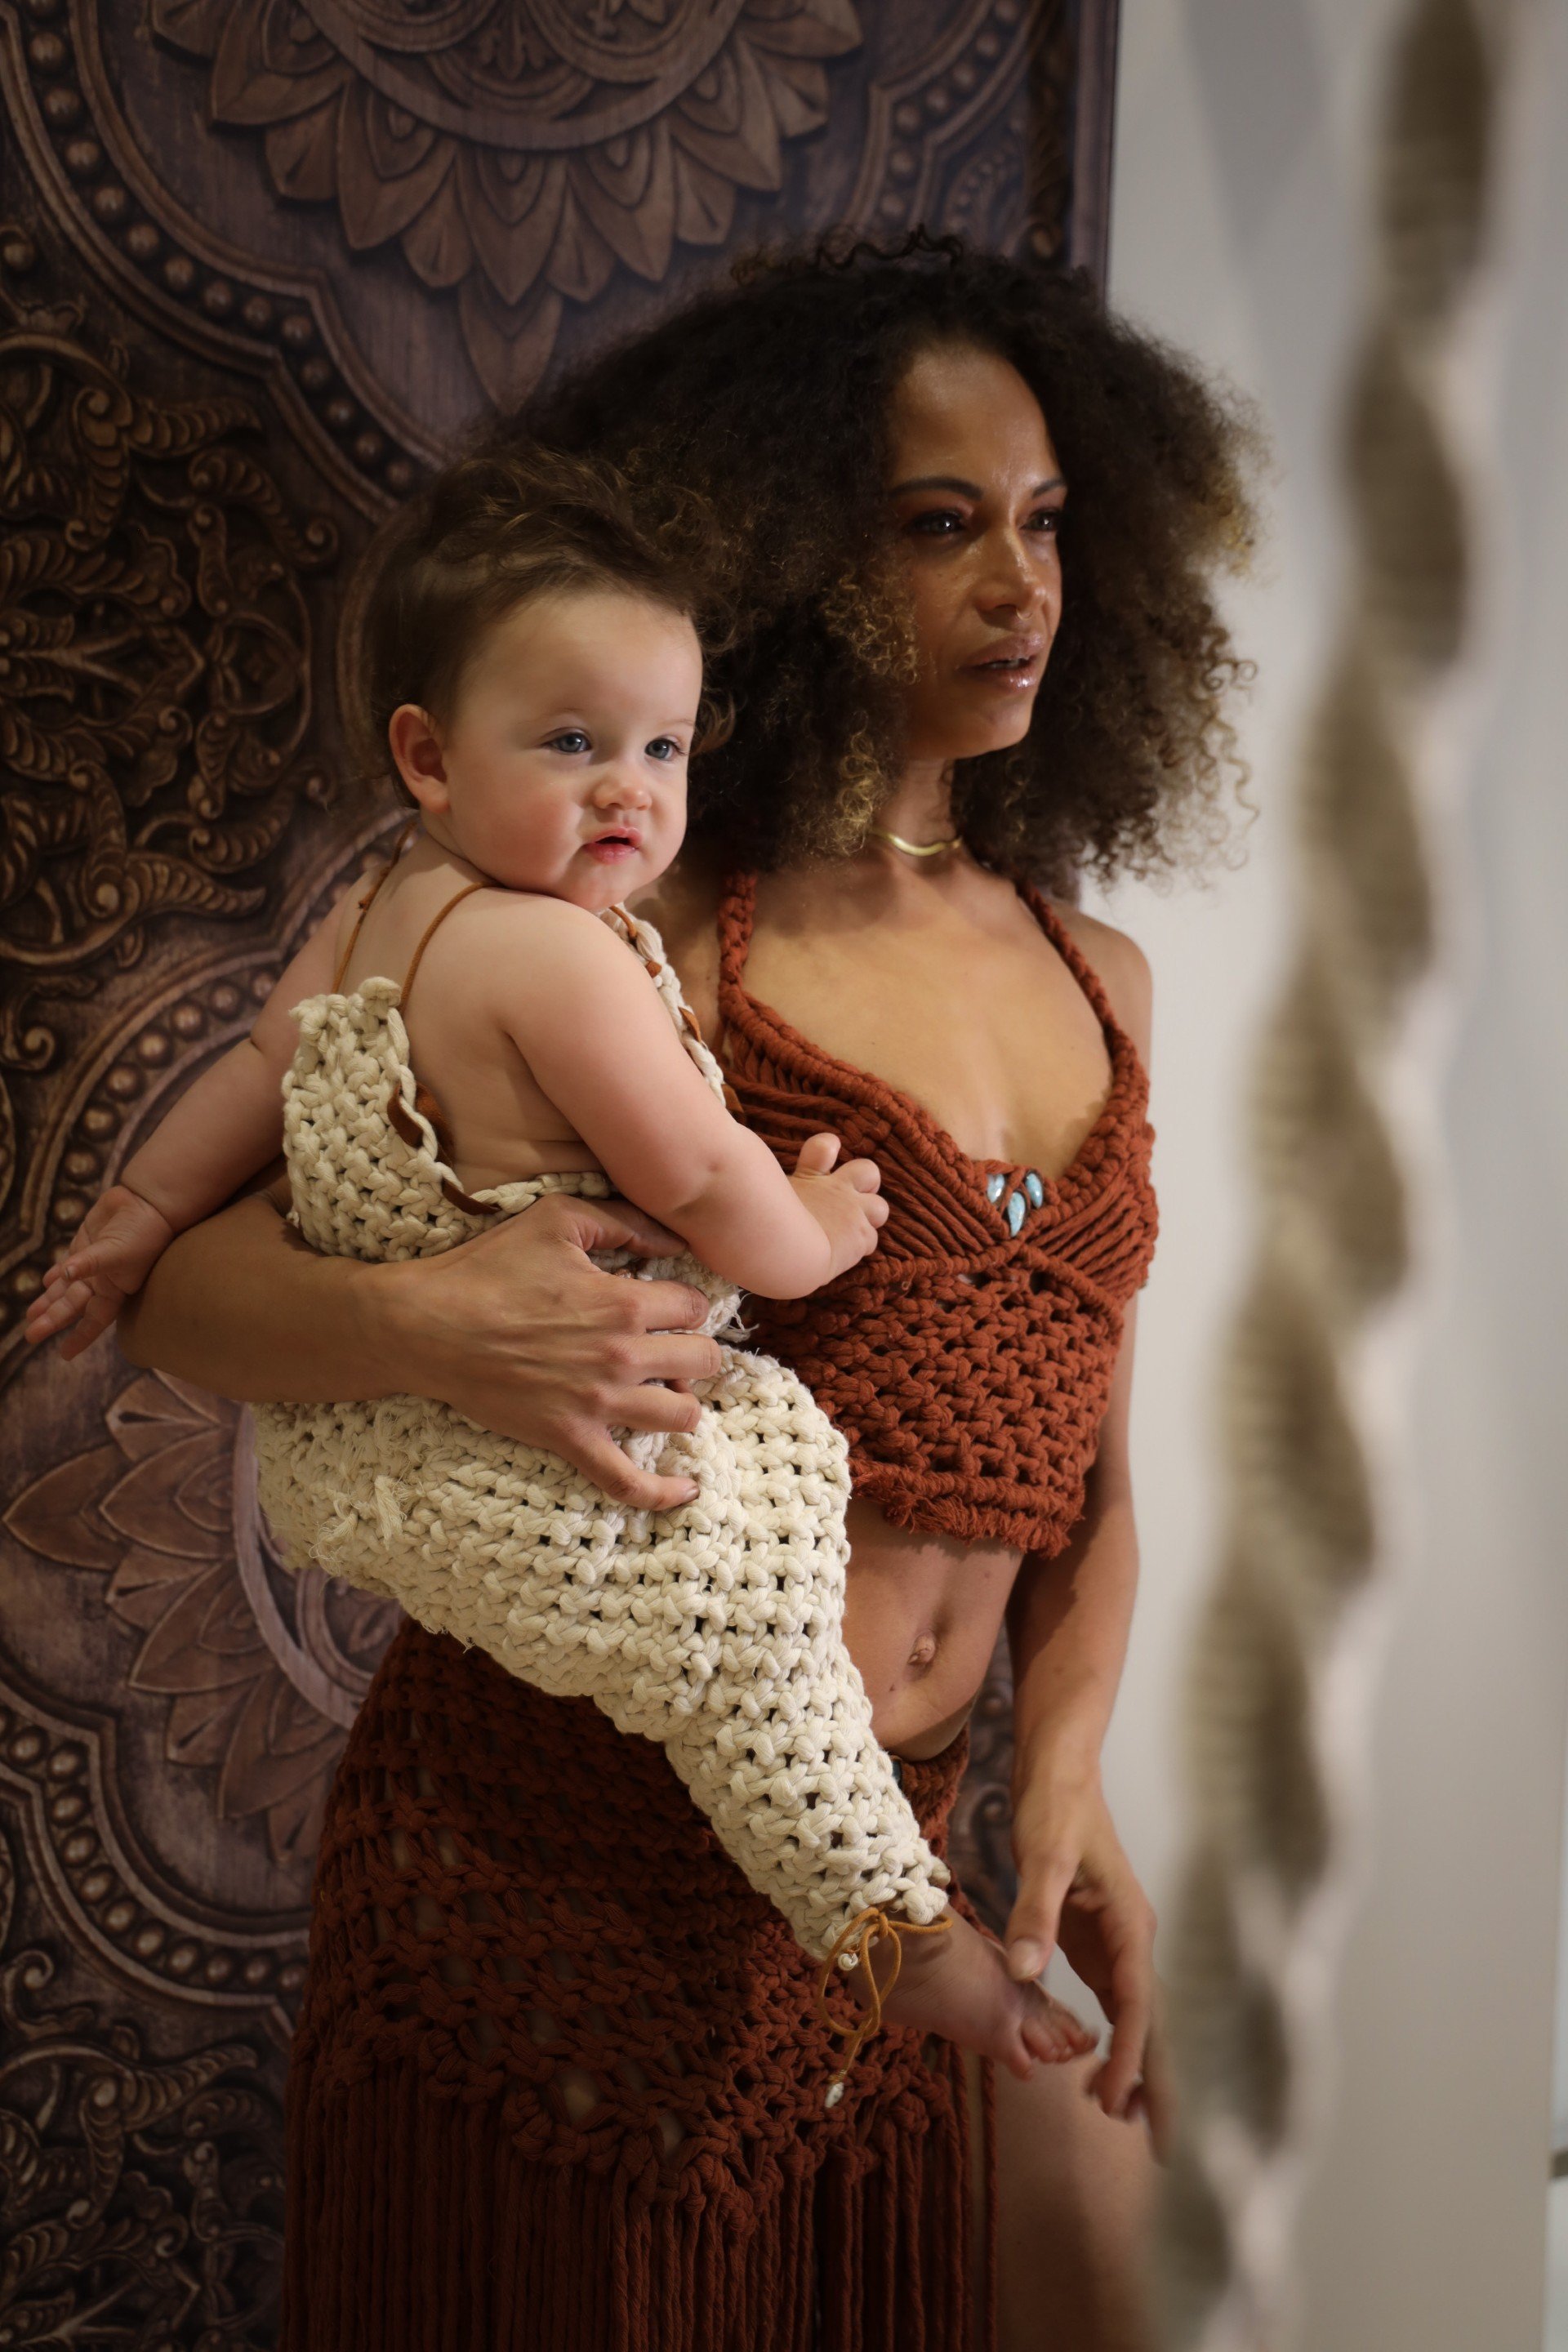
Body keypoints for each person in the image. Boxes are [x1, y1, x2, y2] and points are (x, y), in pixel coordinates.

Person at [118, 234, 1255, 2352]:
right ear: (795, 552)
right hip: (562, 1864)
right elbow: (182, 1290)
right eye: (941, 529)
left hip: (887, 1858)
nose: (1023, 587)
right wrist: (434, 1321)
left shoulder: (1105, 974)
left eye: (1047, 522)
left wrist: (1074, 1786)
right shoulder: (631, 932)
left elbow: (1073, 1465)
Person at [30, 442, 1089, 2077]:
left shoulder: (402, 903)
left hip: (395, 1485)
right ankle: (892, 1923)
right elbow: (705, 1174)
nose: (631, 791)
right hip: (552, 1641)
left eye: (663, 745)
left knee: (744, 1642)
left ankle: (893, 1919)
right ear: (429, 757)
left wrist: (136, 1208)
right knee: (744, 1603)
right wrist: (815, 1232)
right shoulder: (585, 945)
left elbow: (251, 1078)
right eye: (576, 744)